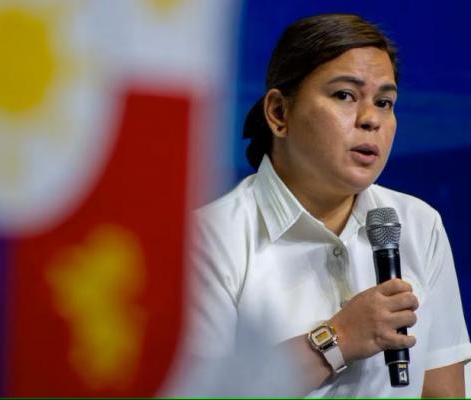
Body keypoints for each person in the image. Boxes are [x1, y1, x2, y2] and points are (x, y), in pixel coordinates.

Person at [176, 13, 471, 397]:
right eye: (345, 95)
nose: (371, 120)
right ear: (279, 113)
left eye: (385, 102)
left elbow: (442, 391)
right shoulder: (207, 240)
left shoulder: (418, 223)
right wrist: (339, 337)